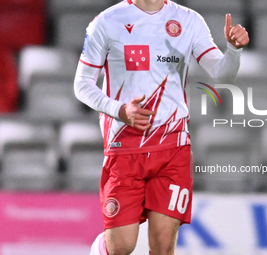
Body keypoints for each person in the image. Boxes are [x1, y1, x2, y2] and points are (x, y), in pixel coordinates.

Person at [74, 0, 249, 254]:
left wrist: (233, 50)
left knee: (163, 245)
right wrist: (120, 110)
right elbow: (82, 85)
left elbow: (222, 75)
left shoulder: (189, 20)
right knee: (121, 246)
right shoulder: (106, 21)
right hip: (125, 145)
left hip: (173, 146)